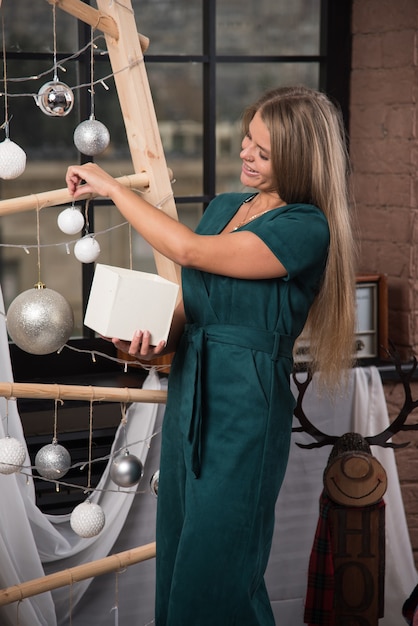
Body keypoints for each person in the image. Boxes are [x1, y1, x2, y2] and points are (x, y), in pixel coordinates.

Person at [66, 85, 356, 626]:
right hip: (191, 391)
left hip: (246, 404)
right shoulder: (225, 208)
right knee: (179, 556)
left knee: (218, 570)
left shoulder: (305, 227)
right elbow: (190, 311)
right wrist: (150, 349)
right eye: (248, 139)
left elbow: (190, 252)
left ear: (297, 159)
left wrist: (110, 187)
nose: (244, 152)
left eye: (262, 151)